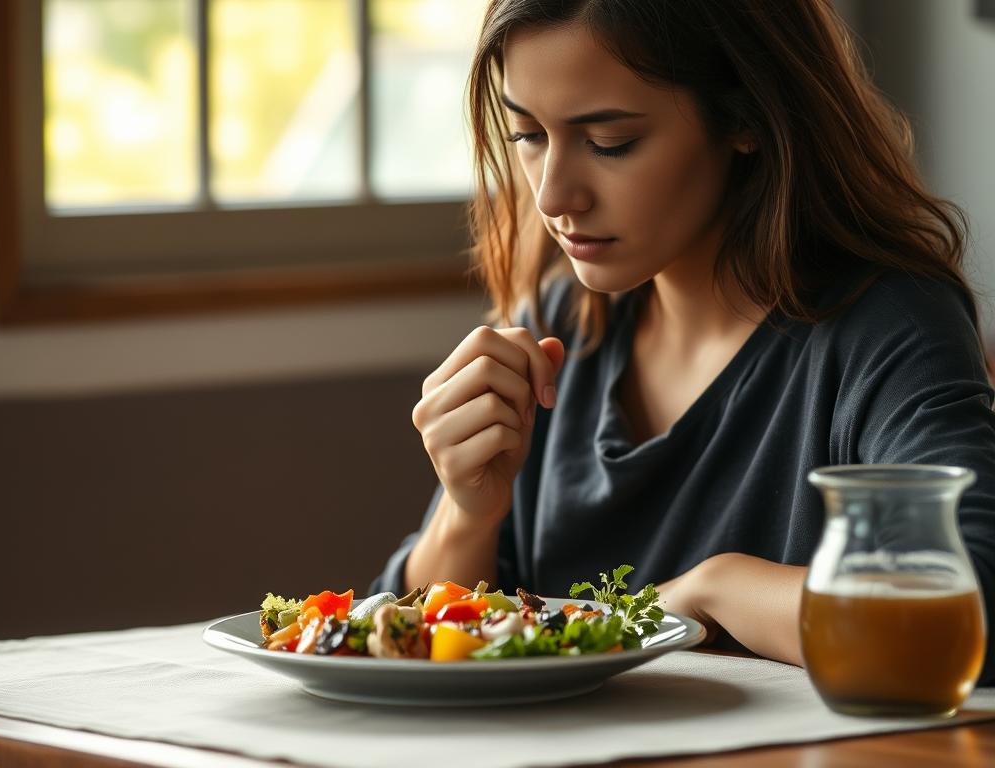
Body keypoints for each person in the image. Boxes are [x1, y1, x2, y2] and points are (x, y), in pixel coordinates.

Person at [371, 0, 995, 685]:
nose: (553, 196)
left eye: (609, 142)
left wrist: (713, 591)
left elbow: (965, 606)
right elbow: (408, 638)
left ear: (747, 118)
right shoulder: (560, 323)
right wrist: (468, 513)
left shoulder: (887, 327)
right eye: (527, 134)